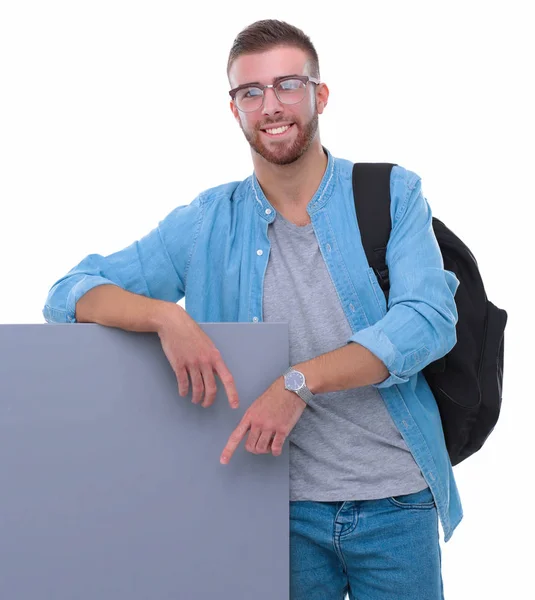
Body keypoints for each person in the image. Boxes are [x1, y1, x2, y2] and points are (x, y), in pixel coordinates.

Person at [43, 19, 462, 600]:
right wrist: (167, 317)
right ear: (234, 109)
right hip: (270, 510)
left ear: (320, 95)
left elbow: (428, 319)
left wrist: (298, 382)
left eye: (288, 84)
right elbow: (71, 293)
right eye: (251, 92)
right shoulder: (207, 222)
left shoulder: (391, 193)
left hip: (394, 501)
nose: (271, 106)